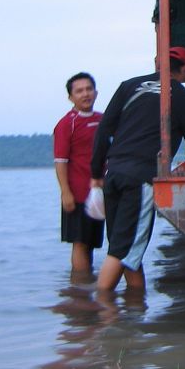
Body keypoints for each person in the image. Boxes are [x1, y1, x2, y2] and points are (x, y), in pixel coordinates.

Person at [90, 46, 185, 293]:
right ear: (184, 69)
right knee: (122, 250)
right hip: (141, 178)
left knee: (126, 247)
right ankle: (97, 315)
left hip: (114, 173)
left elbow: (103, 131)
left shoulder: (129, 86)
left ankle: (134, 310)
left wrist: (96, 174)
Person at [53, 72, 104, 273]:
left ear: (96, 92)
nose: (85, 94)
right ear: (70, 97)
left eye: (89, 89)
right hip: (77, 193)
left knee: (92, 242)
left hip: (99, 192)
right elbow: (60, 161)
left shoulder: (103, 119)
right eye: (79, 91)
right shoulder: (67, 123)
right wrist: (65, 192)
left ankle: (85, 291)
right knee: (80, 242)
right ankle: (79, 289)